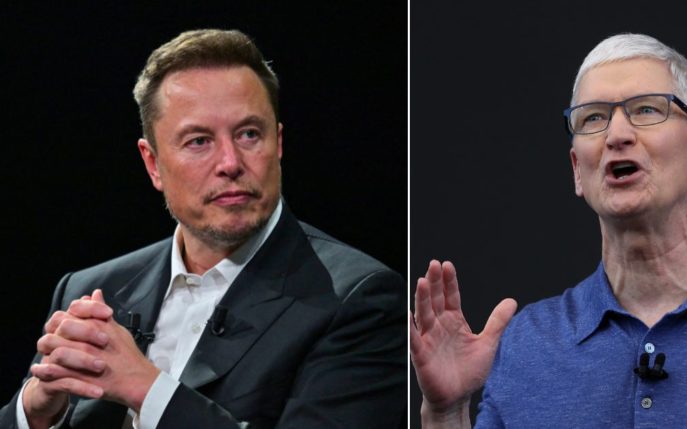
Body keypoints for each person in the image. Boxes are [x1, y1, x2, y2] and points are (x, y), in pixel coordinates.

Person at [0, 29, 405, 428]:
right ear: (153, 163)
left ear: (278, 144)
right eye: (199, 141)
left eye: (249, 134)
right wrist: (34, 412)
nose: (230, 162)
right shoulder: (90, 290)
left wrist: (146, 389)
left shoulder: (357, 299)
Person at [410, 33, 687, 427]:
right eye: (593, 118)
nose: (616, 136)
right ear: (577, 172)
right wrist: (445, 414)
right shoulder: (529, 344)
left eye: (646, 110)